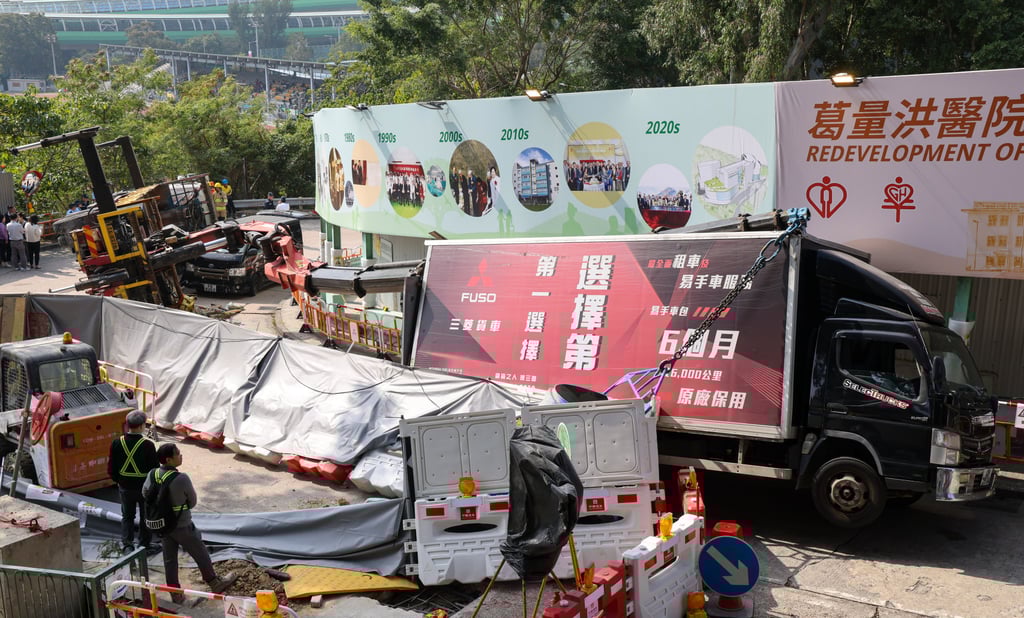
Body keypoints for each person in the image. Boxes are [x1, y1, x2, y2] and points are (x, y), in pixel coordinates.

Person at [144, 443, 237, 604]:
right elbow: (192, 502)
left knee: (169, 559)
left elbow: (145, 493)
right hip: (182, 525)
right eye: (178, 453)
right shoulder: (181, 478)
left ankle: (175, 593)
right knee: (200, 552)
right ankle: (214, 582)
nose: (181, 456)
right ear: (169, 459)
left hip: (163, 525)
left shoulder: (152, 474)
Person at [107, 411, 159, 553]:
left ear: (127, 424)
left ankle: (127, 545)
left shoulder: (117, 442)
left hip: (125, 487)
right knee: (145, 516)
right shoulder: (148, 445)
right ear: (142, 426)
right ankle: (144, 545)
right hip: (144, 488)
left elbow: (111, 467)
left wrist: (119, 480)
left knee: (127, 516)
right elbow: (154, 469)